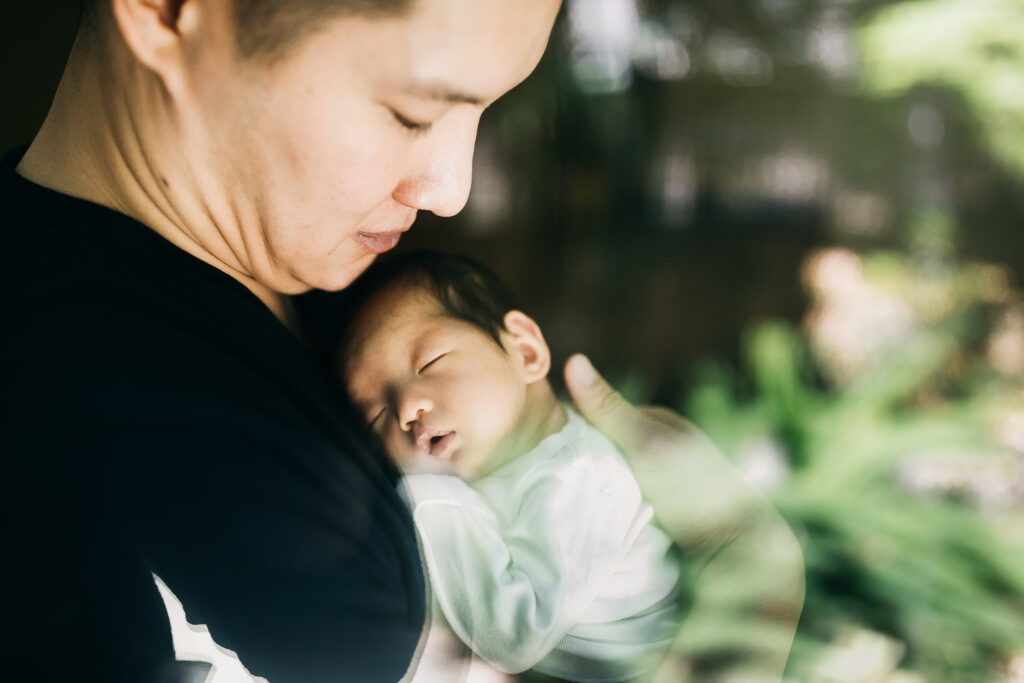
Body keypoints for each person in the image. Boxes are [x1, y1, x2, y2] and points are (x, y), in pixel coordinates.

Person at [0, 0, 804, 681]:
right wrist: (752, 576)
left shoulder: (335, 288)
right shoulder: (59, 412)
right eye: (413, 112)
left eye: (485, 111)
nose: (450, 191)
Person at [339, 251, 683, 682]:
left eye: (429, 363)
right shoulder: (496, 470)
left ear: (524, 350)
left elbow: (513, 636)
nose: (407, 407)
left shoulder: (580, 479)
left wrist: (430, 495)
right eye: (375, 414)